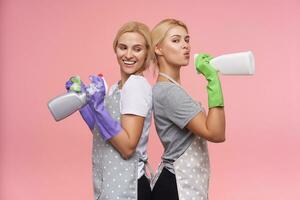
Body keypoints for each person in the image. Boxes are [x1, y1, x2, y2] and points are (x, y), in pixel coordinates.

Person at [66, 21, 153, 200]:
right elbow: (104, 134)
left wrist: (98, 108)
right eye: (123, 47)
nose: (128, 55)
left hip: (129, 187)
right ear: (115, 49)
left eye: (137, 49)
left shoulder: (136, 86)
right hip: (111, 183)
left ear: (147, 53)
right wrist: (85, 104)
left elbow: (128, 147)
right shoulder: (116, 88)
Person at [150, 19, 226, 200]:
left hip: (182, 182)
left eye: (186, 40)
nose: (185, 46)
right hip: (177, 186)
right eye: (176, 40)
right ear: (158, 48)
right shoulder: (169, 92)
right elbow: (216, 133)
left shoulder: (171, 88)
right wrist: (213, 82)